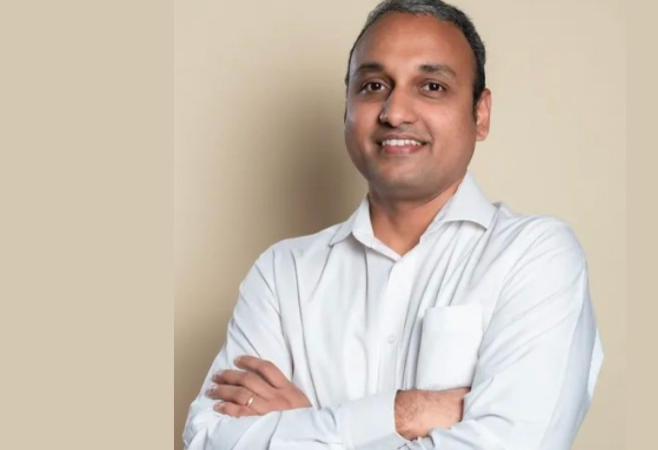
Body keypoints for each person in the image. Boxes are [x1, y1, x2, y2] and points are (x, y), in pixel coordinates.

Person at [182, 0, 604, 448]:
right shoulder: (282, 273)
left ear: (480, 114)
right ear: (346, 107)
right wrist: (407, 412)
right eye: (374, 86)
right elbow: (209, 439)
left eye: (432, 86)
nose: (395, 112)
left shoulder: (534, 256)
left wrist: (306, 425)